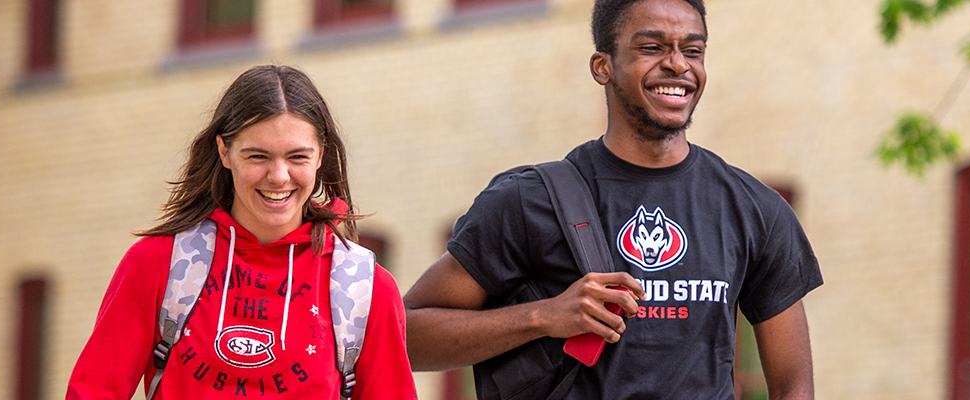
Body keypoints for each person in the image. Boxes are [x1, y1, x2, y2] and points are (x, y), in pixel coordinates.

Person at [404, 0, 822, 398]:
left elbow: (793, 388)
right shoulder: (527, 201)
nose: (678, 64)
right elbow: (406, 335)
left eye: (693, 50)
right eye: (651, 47)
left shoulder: (754, 209)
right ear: (603, 66)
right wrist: (542, 317)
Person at [66, 65, 417, 400]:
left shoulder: (365, 289)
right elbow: (95, 390)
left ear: (321, 155)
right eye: (257, 156)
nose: (279, 176)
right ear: (224, 152)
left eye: (297, 157)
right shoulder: (158, 263)